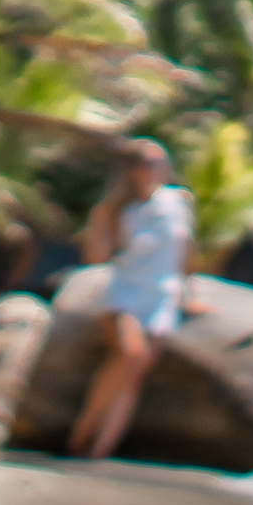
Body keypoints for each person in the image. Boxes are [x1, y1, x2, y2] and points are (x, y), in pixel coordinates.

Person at [68, 139, 194, 462]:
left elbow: (186, 251)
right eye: (151, 163)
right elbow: (97, 258)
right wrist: (99, 223)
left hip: (162, 295)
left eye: (161, 162)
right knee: (130, 354)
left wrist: (190, 294)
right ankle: (82, 433)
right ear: (134, 170)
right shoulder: (119, 209)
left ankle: (100, 450)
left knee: (135, 375)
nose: (159, 169)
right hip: (125, 292)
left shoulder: (179, 202)